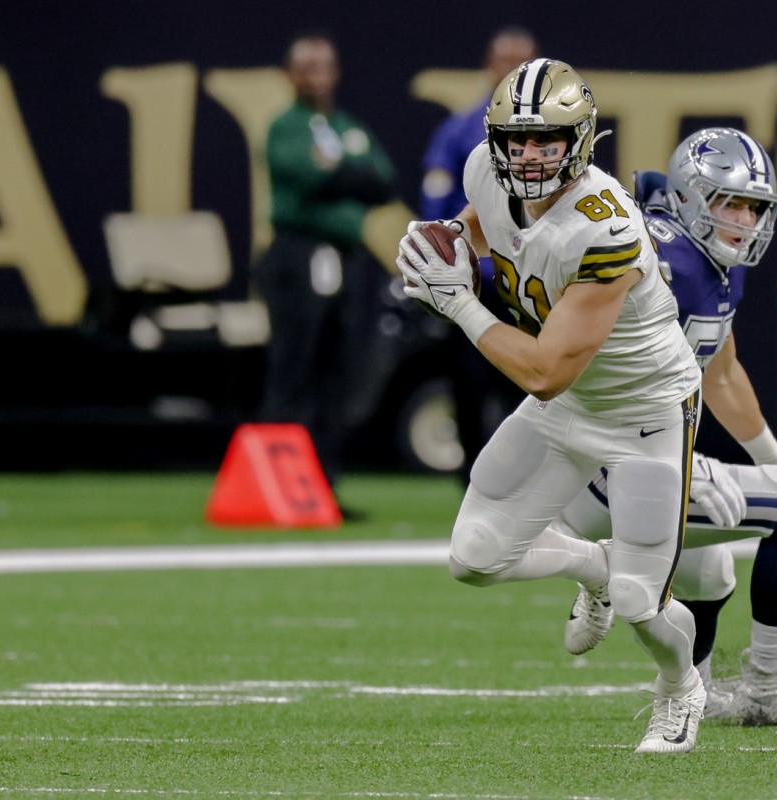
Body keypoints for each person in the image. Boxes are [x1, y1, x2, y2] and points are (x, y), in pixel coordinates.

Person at [396, 59, 708, 754]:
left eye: (547, 140)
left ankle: (680, 687)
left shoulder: (606, 229)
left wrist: (457, 301)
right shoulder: (484, 169)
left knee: (641, 602)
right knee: (472, 556)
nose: (529, 155)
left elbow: (544, 373)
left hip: (643, 414)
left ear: (582, 140)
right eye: (517, 139)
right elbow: (481, 224)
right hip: (571, 408)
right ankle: (591, 567)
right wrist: (445, 241)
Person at [554, 128, 777, 727]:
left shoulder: (715, 263)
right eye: (733, 204)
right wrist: (661, 463)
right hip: (603, 460)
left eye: (754, 207)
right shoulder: (660, 258)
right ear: (694, 198)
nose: (747, 220)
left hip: (632, 455)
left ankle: (688, 689)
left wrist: (773, 458)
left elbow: (720, 373)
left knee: (710, 568)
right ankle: (770, 686)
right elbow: (591, 359)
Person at [255, 33, 397, 499]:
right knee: (293, 369)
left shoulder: (348, 127)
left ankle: (322, 489)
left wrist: (340, 177)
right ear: (290, 74)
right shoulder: (286, 127)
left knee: (337, 373)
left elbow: (382, 182)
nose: (316, 75)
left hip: (344, 257)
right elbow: (308, 176)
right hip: (299, 256)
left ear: (336, 72)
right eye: (306, 66)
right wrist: (346, 178)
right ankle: (280, 488)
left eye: (324, 65)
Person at [418, 27, 537, 485]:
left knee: (528, 376)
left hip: (529, 274)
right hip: (478, 272)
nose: (510, 71)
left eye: (520, 62)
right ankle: (471, 474)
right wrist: (447, 250)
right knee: (469, 378)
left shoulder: (550, 133)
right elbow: (437, 194)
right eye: (504, 60)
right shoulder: (463, 128)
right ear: (490, 65)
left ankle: (527, 474)